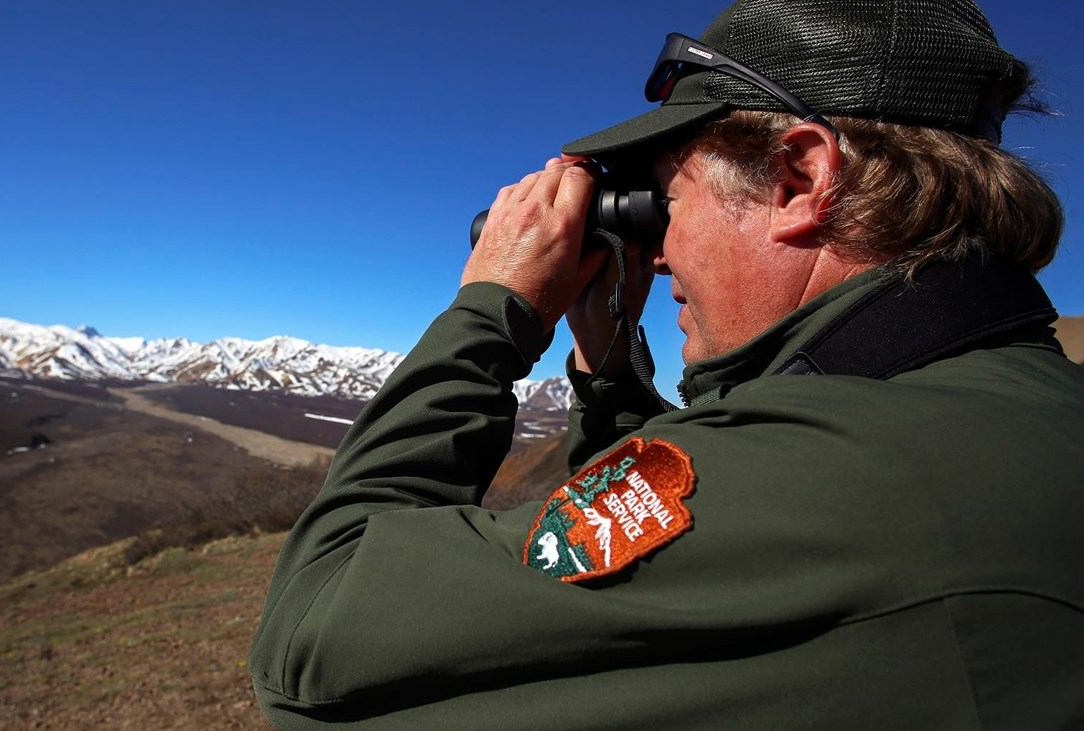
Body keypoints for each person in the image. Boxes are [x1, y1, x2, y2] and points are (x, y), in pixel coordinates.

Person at [249, 0, 1084, 727]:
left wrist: (493, 306)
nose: (653, 254)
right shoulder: (989, 406)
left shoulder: (848, 471)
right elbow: (665, 528)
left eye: (665, 202)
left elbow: (314, 636)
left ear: (798, 179)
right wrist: (604, 357)